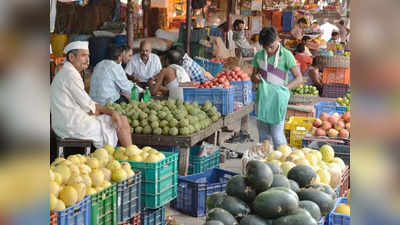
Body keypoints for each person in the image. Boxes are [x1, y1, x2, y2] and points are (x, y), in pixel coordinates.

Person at [50, 41, 133, 148]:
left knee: (120, 119)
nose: (87, 59)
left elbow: (87, 103)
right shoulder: (70, 75)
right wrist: (111, 112)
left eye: (88, 56)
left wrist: (108, 112)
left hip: (68, 121)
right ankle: (130, 154)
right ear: (71, 57)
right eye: (83, 55)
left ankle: (129, 154)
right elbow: (88, 106)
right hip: (71, 125)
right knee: (118, 122)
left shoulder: (68, 72)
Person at [251, 26, 303, 149]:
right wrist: (255, 78)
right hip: (262, 100)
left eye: (272, 46)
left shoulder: (287, 55)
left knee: (277, 135)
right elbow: (253, 76)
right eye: (265, 47)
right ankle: (266, 163)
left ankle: (283, 162)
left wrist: (285, 89)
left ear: (278, 40)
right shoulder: (258, 56)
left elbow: (299, 78)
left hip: (278, 101)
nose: (269, 50)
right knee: (263, 137)